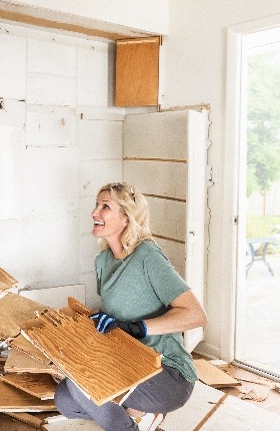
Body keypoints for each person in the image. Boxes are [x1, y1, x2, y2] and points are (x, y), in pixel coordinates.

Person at [54, 182, 207, 431]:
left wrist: (140, 328)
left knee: (81, 383)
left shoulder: (147, 255)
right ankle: (138, 411)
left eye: (105, 207)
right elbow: (121, 311)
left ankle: (130, 423)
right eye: (96, 205)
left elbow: (196, 315)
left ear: (126, 217)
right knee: (65, 400)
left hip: (166, 373)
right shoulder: (102, 262)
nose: (95, 213)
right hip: (126, 364)